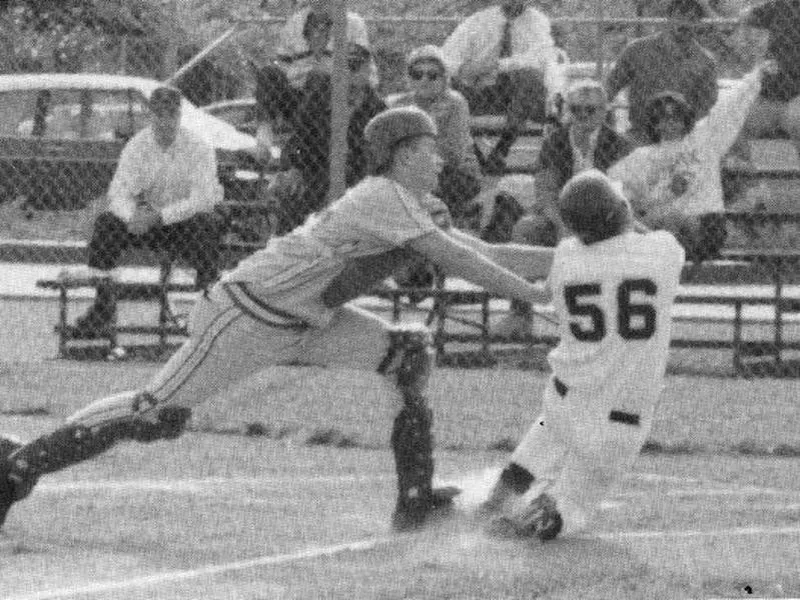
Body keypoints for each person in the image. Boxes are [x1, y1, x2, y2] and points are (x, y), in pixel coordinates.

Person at [0, 106, 556, 534]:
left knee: (407, 353)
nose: (440, 160)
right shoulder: (381, 195)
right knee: (155, 413)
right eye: (430, 150)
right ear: (400, 154)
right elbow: (459, 261)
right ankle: (18, 466)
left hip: (304, 319)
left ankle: (415, 499)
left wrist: (578, 261)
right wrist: (536, 296)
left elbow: (488, 252)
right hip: (247, 313)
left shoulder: (410, 206)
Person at [476, 169, 685, 542]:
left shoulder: (567, 258)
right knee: (569, 508)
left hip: (564, 403)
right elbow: (631, 233)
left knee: (547, 431)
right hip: (619, 423)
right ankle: (540, 516)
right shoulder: (663, 250)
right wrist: (618, 211)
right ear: (620, 212)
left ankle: (500, 497)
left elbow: (590, 244)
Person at [64, 86, 224, 338]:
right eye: (159, 114)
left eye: (171, 114)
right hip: (145, 225)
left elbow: (202, 199)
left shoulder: (198, 147)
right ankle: (103, 307)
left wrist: (161, 216)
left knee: (208, 223)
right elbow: (118, 193)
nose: (165, 121)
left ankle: (208, 312)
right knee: (107, 223)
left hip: (184, 225)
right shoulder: (136, 146)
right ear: (150, 116)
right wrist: (133, 217)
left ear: (180, 115)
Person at [494, 80, 633, 337]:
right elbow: (546, 193)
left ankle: (608, 322)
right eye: (575, 109)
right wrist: (563, 226)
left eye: (590, 110)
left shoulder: (618, 144)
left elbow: (620, 199)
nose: (582, 116)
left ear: (604, 112)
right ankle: (519, 314)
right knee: (525, 229)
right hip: (559, 216)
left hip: (604, 223)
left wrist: (589, 230)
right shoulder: (555, 141)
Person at [607, 61, 775, 262]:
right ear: (654, 123)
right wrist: (640, 209)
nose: (670, 121)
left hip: (705, 223)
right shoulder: (642, 156)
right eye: (662, 117)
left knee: (675, 222)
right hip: (662, 226)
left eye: (676, 115)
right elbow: (612, 185)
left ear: (686, 117)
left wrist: (756, 76)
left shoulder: (704, 139)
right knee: (655, 221)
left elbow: (730, 107)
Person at [441, 0, 566, 174]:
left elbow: (537, 59)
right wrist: (466, 69)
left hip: (519, 97)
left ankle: (500, 150)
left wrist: (497, 65)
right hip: (479, 91)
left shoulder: (538, 22)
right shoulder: (479, 21)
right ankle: (475, 154)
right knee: (443, 82)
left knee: (530, 76)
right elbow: (446, 58)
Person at [272, 44, 386, 235]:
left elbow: (378, 157)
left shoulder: (377, 109)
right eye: (345, 65)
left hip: (358, 175)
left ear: (368, 70)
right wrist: (294, 168)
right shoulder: (318, 98)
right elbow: (299, 139)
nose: (350, 72)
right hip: (316, 172)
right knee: (295, 194)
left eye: (356, 66)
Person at [254, 0, 378, 156]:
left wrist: (326, 72)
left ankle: (297, 143)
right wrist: (298, 74)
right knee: (268, 73)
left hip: (335, 98)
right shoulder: (295, 22)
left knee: (318, 77)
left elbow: (362, 72)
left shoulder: (353, 23)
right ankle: (264, 137)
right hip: (301, 94)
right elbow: (283, 65)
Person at [388, 45, 482, 226]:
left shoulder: (455, 103)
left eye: (432, 75)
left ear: (444, 78)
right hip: (411, 169)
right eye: (417, 74)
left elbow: (453, 153)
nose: (424, 80)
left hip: (456, 172)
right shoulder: (399, 104)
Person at [605, 0, 719, 147]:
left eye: (691, 18)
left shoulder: (705, 61)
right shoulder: (637, 50)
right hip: (640, 136)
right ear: (668, 17)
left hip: (681, 140)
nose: (684, 23)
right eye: (679, 16)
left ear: (698, 23)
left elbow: (706, 108)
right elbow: (608, 90)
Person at [737, 0, 800, 160]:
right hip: (768, 98)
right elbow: (744, 15)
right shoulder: (780, 6)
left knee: (795, 119)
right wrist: (749, 43)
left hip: (796, 98)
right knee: (735, 119)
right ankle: (745, 174)